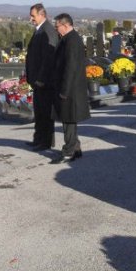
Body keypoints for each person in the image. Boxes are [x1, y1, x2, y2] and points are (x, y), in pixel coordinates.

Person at [51, 14, 91, 164]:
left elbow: (71, 67)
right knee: (69, 121)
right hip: (70, 88)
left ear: (65, 25)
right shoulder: (69, 39)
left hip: (70, 89)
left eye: (57, 27)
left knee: (68, 121)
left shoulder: (72, 40)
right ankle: (76, 148)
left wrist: (64, 90)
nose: (56, 29)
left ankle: (68, 152)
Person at [25, 3, 58, 151]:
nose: (31, 18)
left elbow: (48, 58)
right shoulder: (39, 29)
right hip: (37, 80)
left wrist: (41, 78)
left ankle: (45, 142)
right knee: (39, 111)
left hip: (44, 81)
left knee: (45, 111)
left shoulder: (48, 30)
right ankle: (38, 138)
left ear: (41, 15)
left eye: (33, 15)